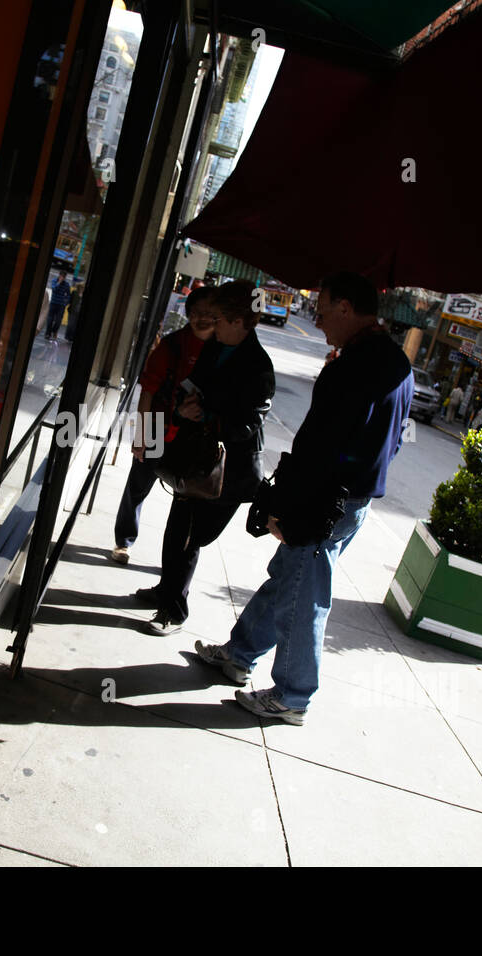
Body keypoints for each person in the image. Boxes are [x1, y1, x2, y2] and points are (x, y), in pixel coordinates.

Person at [195, 272, 412, 724]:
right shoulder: (393, 361)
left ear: (347, 308)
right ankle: (239, 653)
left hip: (325, 499)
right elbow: (389, 441)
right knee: (289, 579)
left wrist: (290, 507)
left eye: (323, 308)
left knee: (302, 593)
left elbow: (323, 445)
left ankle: (293, 694)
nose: (316, 319)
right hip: (350, 497)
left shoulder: (356, 366)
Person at [136, 280, 276, 634]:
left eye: (219, 319)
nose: (211, 325)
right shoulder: (213, 346)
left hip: (226, 471)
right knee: (177, 532)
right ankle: (168, 597)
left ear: (241, 321)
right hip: (193, 457)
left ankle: (172, 607)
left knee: (193, 537)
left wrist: (209, 416)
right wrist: (185, 407)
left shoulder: (259, 367)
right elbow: (189, 383)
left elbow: (248, 425)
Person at [111, 286, 219, 563]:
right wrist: (141, 435)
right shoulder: (171, 346)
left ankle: (175, 561)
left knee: (186, 499)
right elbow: (147, 390)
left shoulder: (221, 351)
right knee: (138, 486)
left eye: (209, 313)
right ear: (188, 314)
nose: (202, 319)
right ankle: (124, 541)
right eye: (196, 313)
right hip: (159, 425)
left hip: (193, 435)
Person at [44, 271, 72, 340]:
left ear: (65, 277)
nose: (62, 278)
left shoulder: (66, 284)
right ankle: (48, 334)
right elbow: (54, 289)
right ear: (59, 275)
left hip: (61, 305)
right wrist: (59, 283)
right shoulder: (54, 281)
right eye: (61, 276)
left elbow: (68, 295)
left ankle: (54, 331)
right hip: (53, 303)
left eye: (63, 277)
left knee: (58, 321)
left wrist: (66, 302)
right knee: (50, 320)